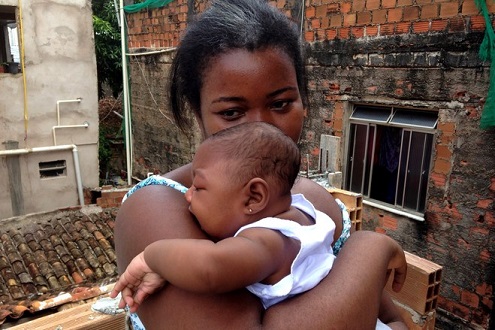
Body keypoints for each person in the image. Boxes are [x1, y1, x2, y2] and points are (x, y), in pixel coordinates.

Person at [115, 0, 408, 329]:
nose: (264, 127)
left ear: (303, 102)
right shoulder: (158, 208)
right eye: (232, 112)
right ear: (198, 113)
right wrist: (369, 249)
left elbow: (392, 320)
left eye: (281, 103)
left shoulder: (311, 201)